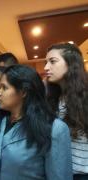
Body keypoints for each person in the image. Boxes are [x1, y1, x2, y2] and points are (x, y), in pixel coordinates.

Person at [44, 42, 88, 180]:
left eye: (52, 61)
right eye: (46, 62)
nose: (46, 67)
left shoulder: (85, 95)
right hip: (60, 171)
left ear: (71, 64)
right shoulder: (53, 96)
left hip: (82, 173)